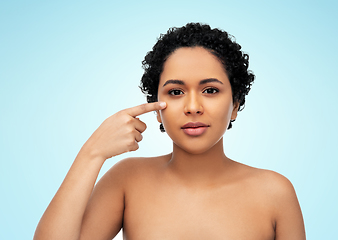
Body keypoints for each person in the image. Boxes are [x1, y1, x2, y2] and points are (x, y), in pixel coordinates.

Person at [34, 23, 305, 240]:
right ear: (156, 109)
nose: (193, 106)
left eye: (210, 90)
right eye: (175, 92)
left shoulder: (275, 193)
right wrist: (91, 153)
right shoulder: (127, 180)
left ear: (235, 105)